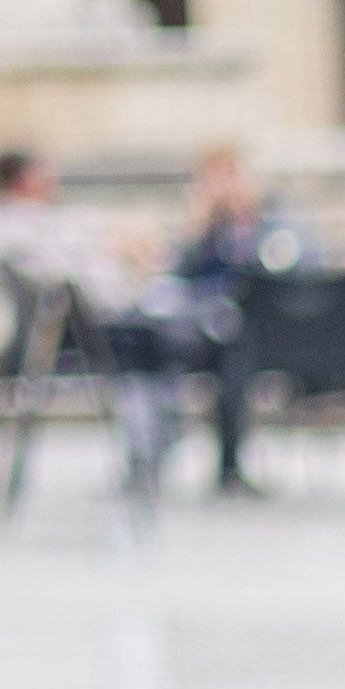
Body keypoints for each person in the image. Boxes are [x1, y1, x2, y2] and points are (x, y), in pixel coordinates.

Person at [0, 149, 179, 505]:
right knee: (160, 340)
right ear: (22, 179)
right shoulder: (19, 229)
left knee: (160, 337)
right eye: (42, 170)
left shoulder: (20, 227)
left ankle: (156, 437)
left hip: (75, 329)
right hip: (81, 335)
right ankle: (154, 439)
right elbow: (72, 280)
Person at [146, 145, 291, 497]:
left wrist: (250, 223)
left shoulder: (272, 219)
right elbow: (179, 275)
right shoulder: (204, 231)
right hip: (209, 332)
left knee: (237, 359)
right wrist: (201, 225)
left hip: (273, 331)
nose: (226, 185)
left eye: (231, 174)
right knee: (223, 361)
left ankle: (229, 467)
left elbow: (295, 264)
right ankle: (223, 467)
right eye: (216, 176)